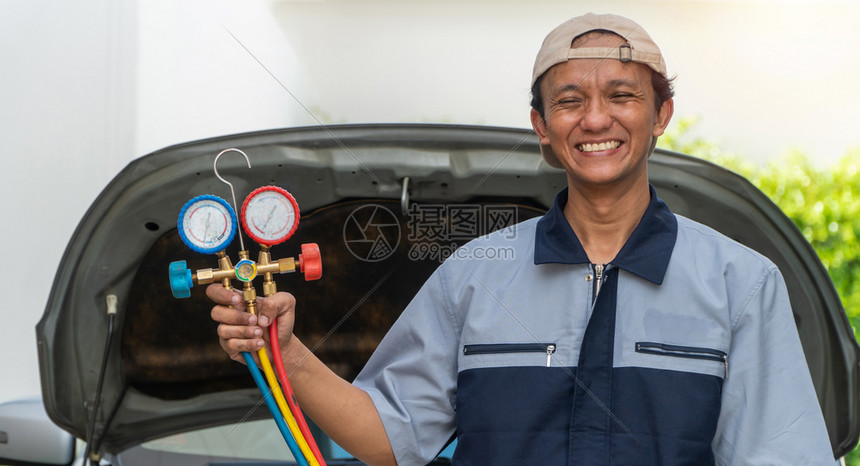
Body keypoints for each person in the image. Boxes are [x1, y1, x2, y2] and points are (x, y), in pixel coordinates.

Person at [209, 13, 835, 465]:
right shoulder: (475, 274)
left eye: (622, 95)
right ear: (540, 125)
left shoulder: (740, 283)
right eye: (569, 101)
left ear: (661, 115)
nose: (595, 118)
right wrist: (284, 351)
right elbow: (387, 440)